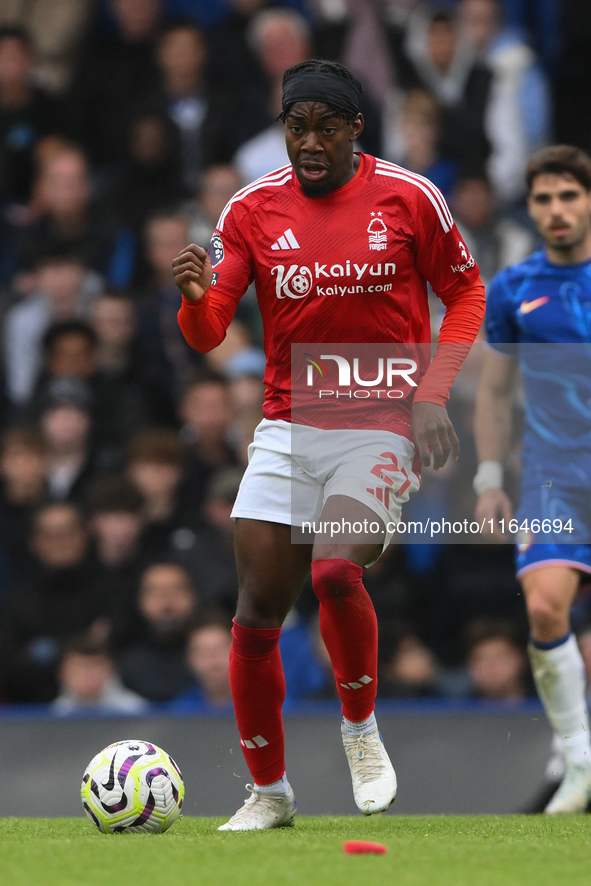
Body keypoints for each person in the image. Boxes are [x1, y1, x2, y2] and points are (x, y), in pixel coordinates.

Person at [173, 58, 485, 830]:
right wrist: (190, 303)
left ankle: (360, 732)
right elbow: (211, 327)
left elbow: (466, 291)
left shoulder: (410, 198)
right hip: (286, 423)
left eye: (324, 127)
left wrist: (431, 394)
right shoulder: (250, 209)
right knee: (253, 615)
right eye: (294, 126)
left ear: (355, 129)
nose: (307, 143)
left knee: (336, 570)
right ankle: (269, 793)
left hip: (379, 417)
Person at [474, 144, 591, 813]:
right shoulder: (514, 288)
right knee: (544, 606)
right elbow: (492, 395)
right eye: (543, 198)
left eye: (568, 196)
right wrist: (489, 475)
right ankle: (578, 762)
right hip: (551, 475)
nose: (555, 210)